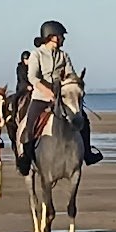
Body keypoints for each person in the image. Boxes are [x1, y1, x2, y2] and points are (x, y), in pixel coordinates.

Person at [16, 20, 103, 176]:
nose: (63, 38)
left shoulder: (64, 55)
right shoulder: (37, 54)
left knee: (83, 120)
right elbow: (33, 78)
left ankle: (88, 153)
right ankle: (26, 158)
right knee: (29, 125)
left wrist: (75, 83)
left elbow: (70, 73)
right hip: (41, 97)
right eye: (61, 36)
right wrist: (48, 92)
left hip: (62, 97)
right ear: (52, 36)